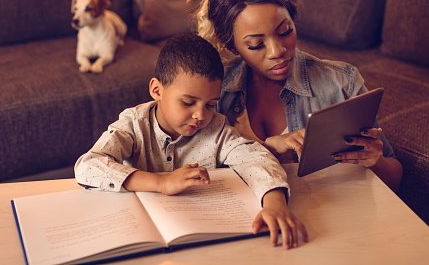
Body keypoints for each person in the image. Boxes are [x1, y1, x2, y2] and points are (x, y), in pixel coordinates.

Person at [75, 34, 308, 249]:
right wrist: (160, 183)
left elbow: (256, 157)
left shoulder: (216, 128)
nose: (200, 115)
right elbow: (88, 166)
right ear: (157, 90)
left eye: (210, 104)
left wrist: (275, 203)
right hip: (136, 236)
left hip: (202, 238)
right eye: (188, 102)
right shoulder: (133, 124)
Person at [189, 0, 402, 191]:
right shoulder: (216, 89)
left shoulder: (341, 83)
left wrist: (375, 161)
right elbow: (197, 167)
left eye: (285, 31)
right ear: (232, 47)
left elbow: (395, 178)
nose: (277, 51)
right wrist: (268, 147)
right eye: (256, 44)